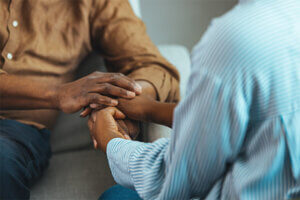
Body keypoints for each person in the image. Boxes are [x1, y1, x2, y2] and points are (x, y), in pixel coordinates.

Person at [88, 0, 300, 199]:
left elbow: (177, 176)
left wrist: (110, 139)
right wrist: (149, 109)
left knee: (116, 196)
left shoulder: (236, 38)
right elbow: (227, 125)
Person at [0, 0, 180, 199]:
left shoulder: (97, 3)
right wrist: (58, 94)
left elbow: (152, 67)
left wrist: (124, 102)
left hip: (16, 132)